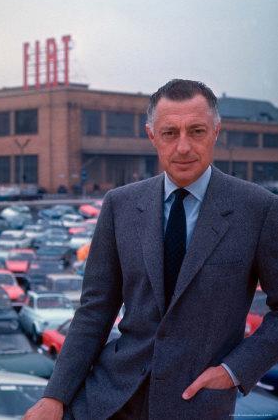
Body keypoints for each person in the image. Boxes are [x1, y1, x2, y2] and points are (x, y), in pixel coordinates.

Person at [24, 79, 278, 420]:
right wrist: (54, 396)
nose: (183, 147)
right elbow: (95, 310)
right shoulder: (120, 205)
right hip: (108, 397)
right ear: (152, 136)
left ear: (216, 132)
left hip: (197, 402)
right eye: (170, 133)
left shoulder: (258, 209)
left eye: (197, 131)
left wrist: (234, 371)